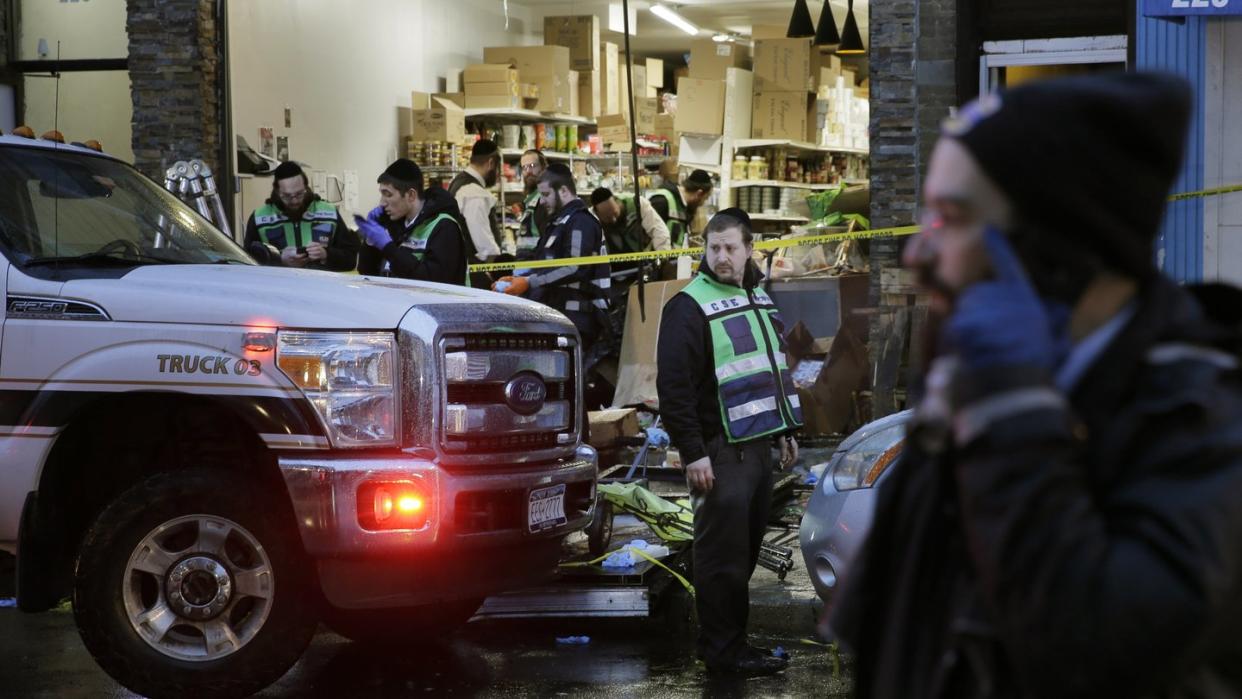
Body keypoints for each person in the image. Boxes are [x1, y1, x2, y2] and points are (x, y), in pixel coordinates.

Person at [831, 73, 1242, 698]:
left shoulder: (1202, 423)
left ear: (1057, 257)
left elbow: (1101, 650)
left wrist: (1012, 411)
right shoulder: (966, 390)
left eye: (952, 217)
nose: (917, 252)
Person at [656, 208, 802, 677]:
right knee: (722, 562)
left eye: (730, 248)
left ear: (749, 249)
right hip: (720, 454)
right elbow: (674, 385)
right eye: (713, 248)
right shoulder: (689, 305)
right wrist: (693, 451)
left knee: (741, 558)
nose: (721, 257)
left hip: (757, 449)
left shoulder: (756, 296)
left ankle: (731, 645)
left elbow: (771, 370)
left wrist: (784, 430)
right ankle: (723, 654)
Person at [492, 163, 610, 340]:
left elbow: (574, 267)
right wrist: (519, 278)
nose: (543, 201)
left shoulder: (580, 222)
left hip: (580, 320)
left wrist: (528, 282)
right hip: (562, 315)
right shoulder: (558, 223)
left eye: (546, 194)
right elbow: (547, 265)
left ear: (563, 191)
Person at [354, 158, 467, 285]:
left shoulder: (444, 227)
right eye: (382, 194)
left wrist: (388, 248)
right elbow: (367, 272)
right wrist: (371, 241)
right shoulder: (394, 224)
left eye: (388, 195)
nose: (382, 202)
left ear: (411, 195)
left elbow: (435, 282)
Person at [243, 161, 359, 271]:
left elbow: (350, 260)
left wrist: (326, 255)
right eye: (287, 196)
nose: (294, 201)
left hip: (320, 288)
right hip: (279, 288)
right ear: (277, 191)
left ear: (306, 187)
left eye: (299, 194)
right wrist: (279, 260)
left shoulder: (329, 212)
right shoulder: (259, 218)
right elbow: (247, 262)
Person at [448, 138, 503, 262]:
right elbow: (484, 245)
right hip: (476, 273)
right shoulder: (474, 193)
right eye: (498, 168)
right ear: (491, 163)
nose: (498, 174)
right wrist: (498, 267)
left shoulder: (457, 182)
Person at [590, 186, 671, 257]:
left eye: (615, 213)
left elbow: (658, 230)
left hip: (643, 260)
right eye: (607, 218)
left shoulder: (637, 204)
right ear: (597, 215)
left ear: (617, 201)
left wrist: (662, 256)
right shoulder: (591, 220)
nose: (614, 220)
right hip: (612, 265)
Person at [647, 168, 713, 248]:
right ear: (699, 194)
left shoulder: (684, 207)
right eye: (705, 199)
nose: (702, 204)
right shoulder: (662, 201)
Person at [518, 149, 549, 245]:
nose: (528, 171)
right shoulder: (531, 199)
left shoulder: (546, 200)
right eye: (524, 167)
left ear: (543, 168)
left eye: (532, 166)